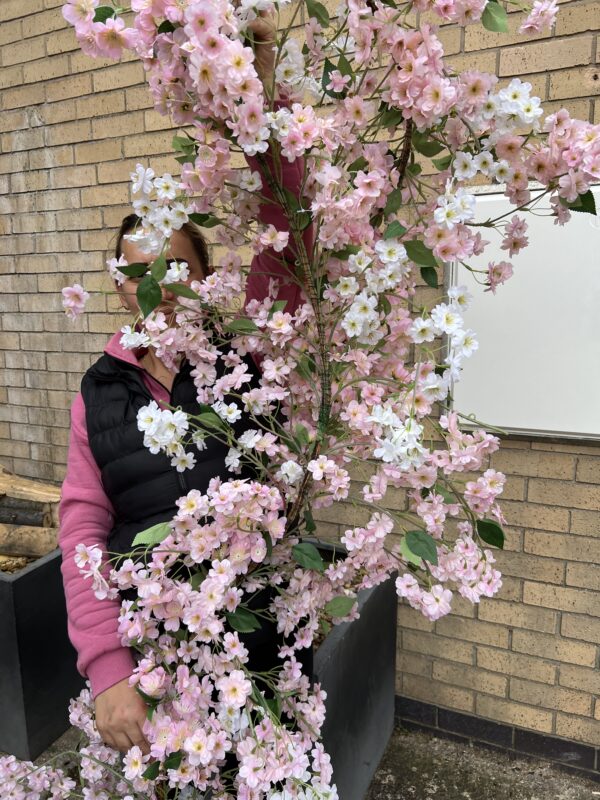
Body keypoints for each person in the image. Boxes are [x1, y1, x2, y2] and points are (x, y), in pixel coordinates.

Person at [58, 13, 311, 758]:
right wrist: (107, 670)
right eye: (138, 271)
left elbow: (289, 238)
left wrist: (262, 88)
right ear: (117, 285)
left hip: (254, 642)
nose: (158, 288)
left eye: (177, 269)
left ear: (204, 279)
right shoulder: (97, 394)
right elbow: (82, 538)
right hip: (155, 662)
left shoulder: (246, 363)